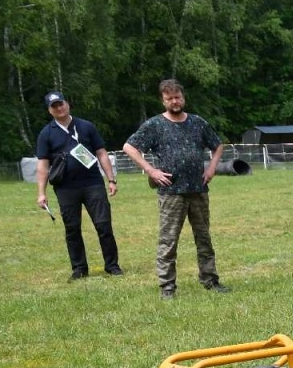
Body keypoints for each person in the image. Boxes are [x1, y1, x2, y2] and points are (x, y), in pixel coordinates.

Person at [120, 79, 231, 299]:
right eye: (169, 98)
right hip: (171, 193)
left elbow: (218, 145)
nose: (174, 101)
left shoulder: (198, 122)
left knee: (204, 238)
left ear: (183, 97)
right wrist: (151, 171)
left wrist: (211, 168)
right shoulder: (154, 125)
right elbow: (129, 147)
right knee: (168, 241)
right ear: (163, 100)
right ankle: (167, 287)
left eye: (177, 97)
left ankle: (210, 279)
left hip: (198, 190)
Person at [34, 92, 122, 280]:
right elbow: (42, 165)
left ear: (68, 104)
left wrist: (111, 179)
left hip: (93, 184)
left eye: (61, 103)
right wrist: (41, 193)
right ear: (50, 110)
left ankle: (112, 266)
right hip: (66, 188)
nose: (59, 108)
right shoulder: (46, 133)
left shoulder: (86, 126)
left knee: (104, 225)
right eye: (54, 106)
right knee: (72, 228)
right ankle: (79, 268)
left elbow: (101, 153)